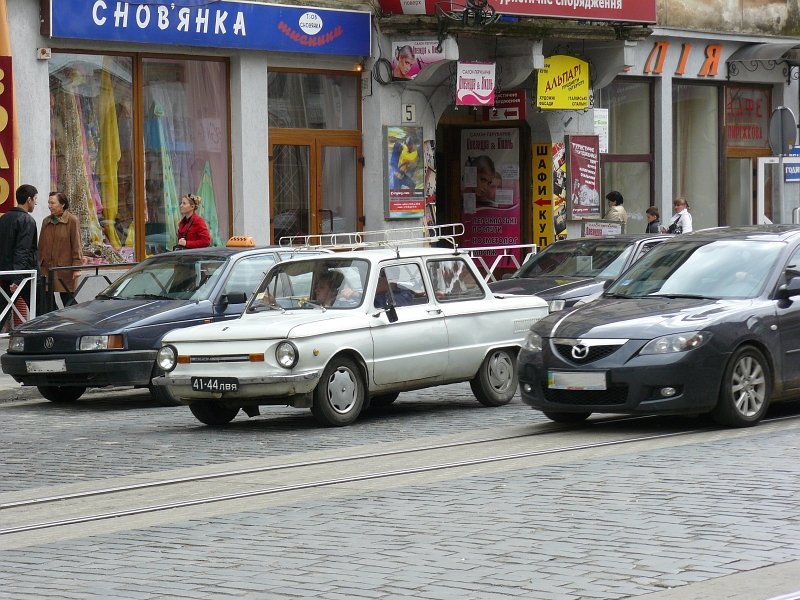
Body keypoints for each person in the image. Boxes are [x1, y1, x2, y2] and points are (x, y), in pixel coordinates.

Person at [0, 185, 39, 330]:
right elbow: (23, 251)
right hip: (25, 276)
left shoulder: (4, 218)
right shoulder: (27, 220)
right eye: (35, 199)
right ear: (29, 200)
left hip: (6, 274)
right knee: (43, 311)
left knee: (3, 309)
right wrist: (17, 279)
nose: (36, 203)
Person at [38, 192, 84, 308]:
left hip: (65, 269)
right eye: (49, 203)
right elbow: (41, 245)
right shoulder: (46, 221)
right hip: (47, 268)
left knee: (68, 301)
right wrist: (38, 264)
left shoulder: (72, 221)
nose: (49, 206)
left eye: (52, 203)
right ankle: (55, 322)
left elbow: (76, 245)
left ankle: (76, 323)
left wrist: (77, 267)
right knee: (47, 302)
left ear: (62, 204)